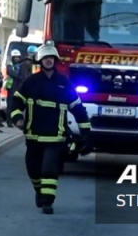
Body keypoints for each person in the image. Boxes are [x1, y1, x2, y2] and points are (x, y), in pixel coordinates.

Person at [9, 43, 91, 214]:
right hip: (33, 135)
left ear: (55, 60)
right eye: (45, 58)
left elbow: (77, 107)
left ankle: (47, 202)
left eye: (51, 58)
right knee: (33, 169)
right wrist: (17, 118)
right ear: (40, 60)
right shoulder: (31, 82)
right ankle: (40, 191)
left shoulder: (63, 82)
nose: (48, 61)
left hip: (56, 136)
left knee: (49, 168)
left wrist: (86, 133)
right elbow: (16, 101)